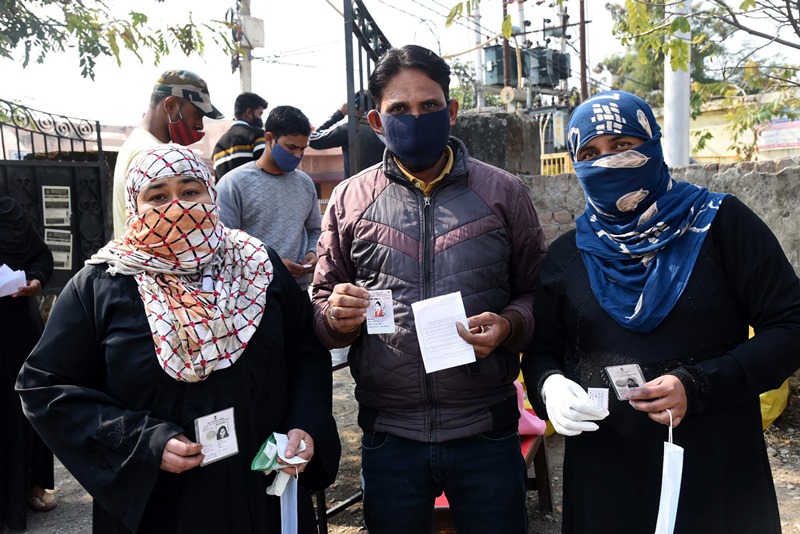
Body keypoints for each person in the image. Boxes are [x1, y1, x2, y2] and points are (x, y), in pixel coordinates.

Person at [16, 146, 340, 534]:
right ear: (135, 207)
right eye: (157, 196)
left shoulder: (259, 265)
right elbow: (44, 386)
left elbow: (305, 350)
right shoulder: (102, 284)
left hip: (263, 490)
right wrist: (143, 442)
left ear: (211, 194)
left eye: (190, 192)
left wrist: (305, 423)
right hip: (163, 504)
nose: (178, 207)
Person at [521, 90, 800, 533]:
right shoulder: (566, 255)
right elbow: (542, 352)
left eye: (622, 146)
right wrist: (549, 386)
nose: (606, 162)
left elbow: (790, 326)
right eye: (590, 153)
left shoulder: (721, 225)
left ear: (651, 144)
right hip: (606, 476)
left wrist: (700, 385)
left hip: (715, 468)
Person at [311, 44, 547, 534]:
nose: (415, 118)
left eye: (429, 106)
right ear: (377, 121)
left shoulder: (504, 193)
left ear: (452, 111)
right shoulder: (349, 201)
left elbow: (538, 294)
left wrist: (508, 325)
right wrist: (335, 316)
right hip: (390, 436)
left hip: (486, 429)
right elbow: (320, 306)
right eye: (399, 109)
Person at [216, 105, 320, 292]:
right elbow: (223, 244)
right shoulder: (233, 185)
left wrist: (312, 252)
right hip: (253, 295)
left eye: (302, 149)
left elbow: (314, 230)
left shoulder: (305, 184)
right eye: (291, 147)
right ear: (270, 139)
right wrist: (270, 263)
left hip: (299, 291)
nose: (298, 155)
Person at [111, 69, 223, 237]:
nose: (200, 125)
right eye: (197, 115)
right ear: (170, 106)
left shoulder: (136, 143)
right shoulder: (151, 154)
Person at [1, 196, 55, 532]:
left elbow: (40, 256)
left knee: (19, 404)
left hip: (13, 328)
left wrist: (35, 279)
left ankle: (31, 484)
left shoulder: (8, 210)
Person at [308, 90, 385, 178]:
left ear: (357, 109)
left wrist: (339, 114)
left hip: (356, 188)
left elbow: (313, 139)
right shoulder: (386, 130)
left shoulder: (351, 129)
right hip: (385, 187)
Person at [212, 92, 269, 180]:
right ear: (249, 112)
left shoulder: (217, 148)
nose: (260, 119)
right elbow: (267, 171)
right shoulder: (257, 135)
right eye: (259, 114)